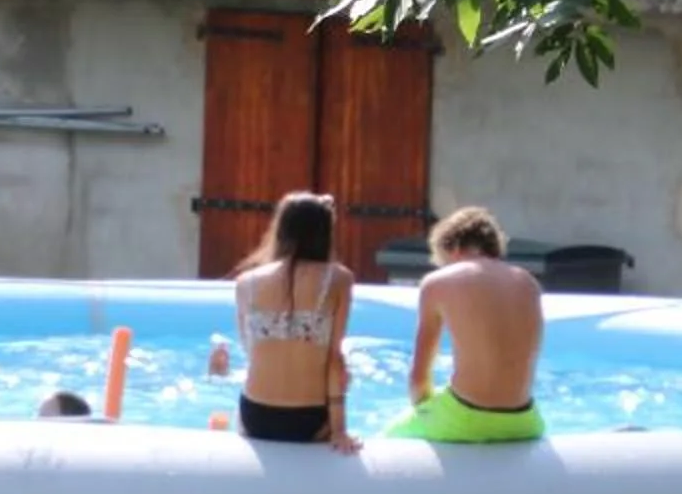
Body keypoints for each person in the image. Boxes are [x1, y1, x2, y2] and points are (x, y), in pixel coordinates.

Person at [206, 191, 361, 453]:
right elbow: (334, 360)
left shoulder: (246, 283)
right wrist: (339, 431)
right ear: (325, 232)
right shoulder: (338, 279)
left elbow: (253, 352)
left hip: (256, 416)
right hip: (310, 419)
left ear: (281, 229)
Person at [388, 205, 546, 444]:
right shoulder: (528, 282)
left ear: (453, 248)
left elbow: (418, 380)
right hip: (525, 421)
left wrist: (424, 411)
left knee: (388, 436)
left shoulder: (437, 283)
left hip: (467, 418)